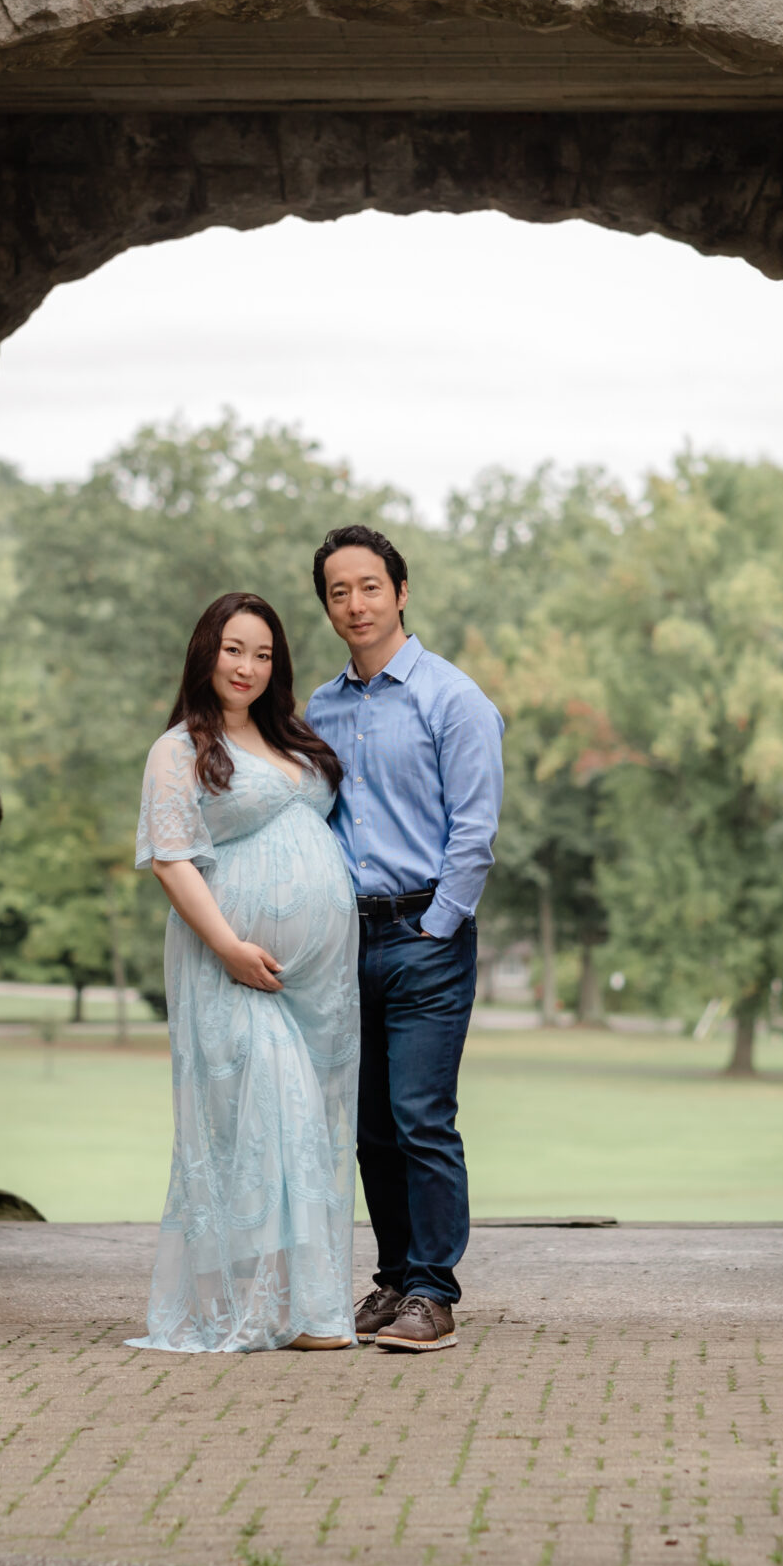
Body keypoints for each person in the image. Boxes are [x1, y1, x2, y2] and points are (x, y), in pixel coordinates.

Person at [128, 591, 361, 1353]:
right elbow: (171, 859)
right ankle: (253, 1305)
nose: (247, 667)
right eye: (234, 649)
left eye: (262, 654)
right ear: (206, 651)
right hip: (228, 965)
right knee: (265, 1122)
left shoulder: (290, 738)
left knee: (309, 1131)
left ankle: (303, 1302)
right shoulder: (178, 749)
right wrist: (229, 945)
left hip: (316, 989)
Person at [304, 525, 504, 1355]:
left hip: (426, 934)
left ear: (401, 592)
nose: (355, 603)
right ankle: (393, 1280)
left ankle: (435, 1292)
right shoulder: (320, 707)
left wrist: (439, 921)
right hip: (347, 943)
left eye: (369, 587)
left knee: (422, 1117)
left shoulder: (453, 699)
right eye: (339, 591)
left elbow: (476, 827)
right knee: (369, 1125)